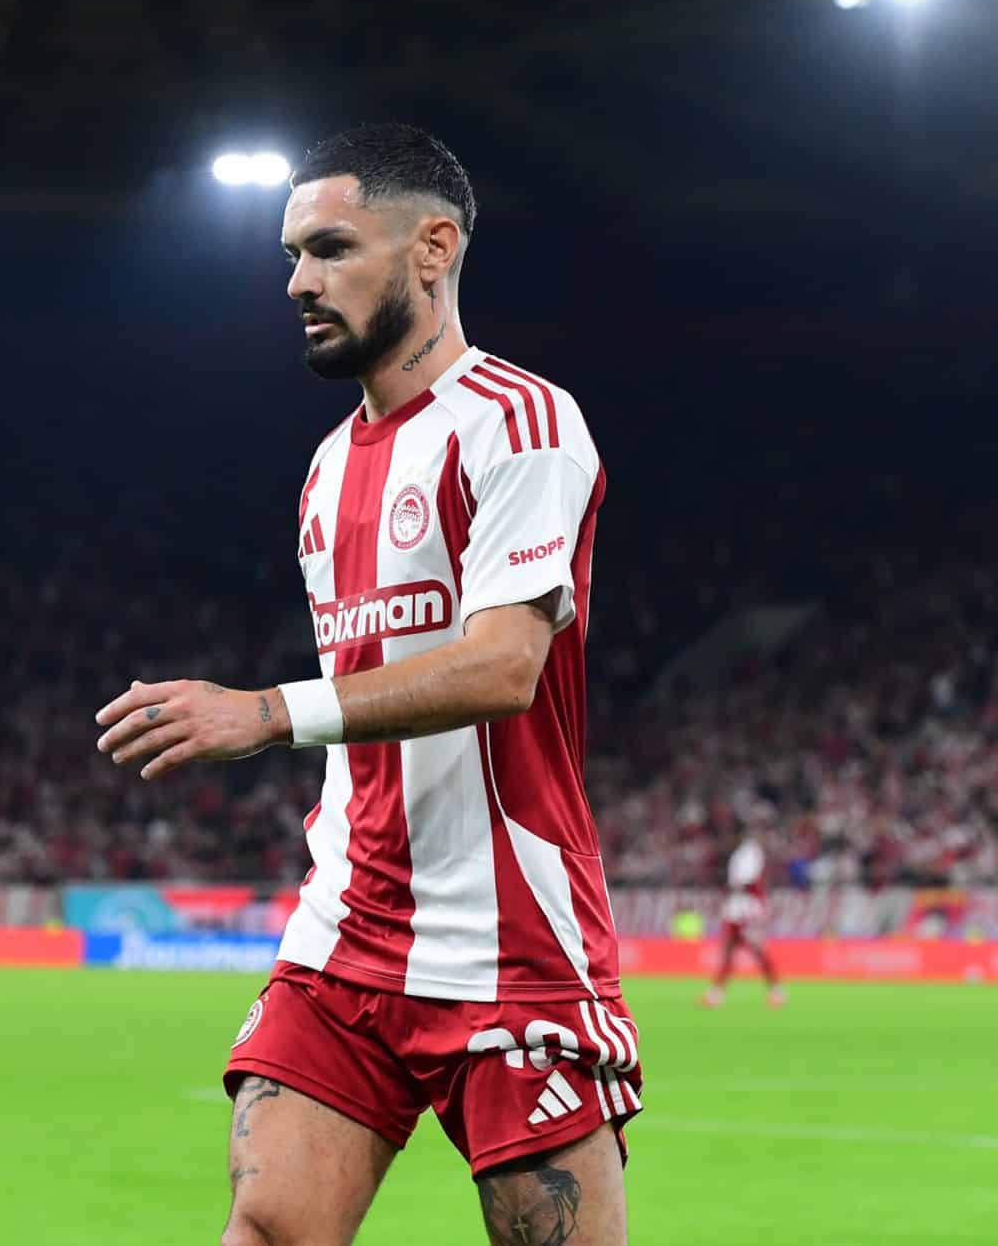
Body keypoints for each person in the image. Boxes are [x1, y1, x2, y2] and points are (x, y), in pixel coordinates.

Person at [95, 124, 639, 1246]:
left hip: (508, 944)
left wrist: (264, 712)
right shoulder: (328, 465)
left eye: (331, 248)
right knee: (270, 1227)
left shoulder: (520, 423)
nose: (298, 282)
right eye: (290, 256)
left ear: (432, 249)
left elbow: (503, 667)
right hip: (345, 931)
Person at [701, 832, 783, 1008]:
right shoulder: (740, 853)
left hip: (747, 908)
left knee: (756, 950)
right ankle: (717, 993)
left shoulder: (750, 852)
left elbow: (749, 881)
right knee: (730, 950)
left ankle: (776, 990)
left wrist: (732, 887)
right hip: (736, 908)